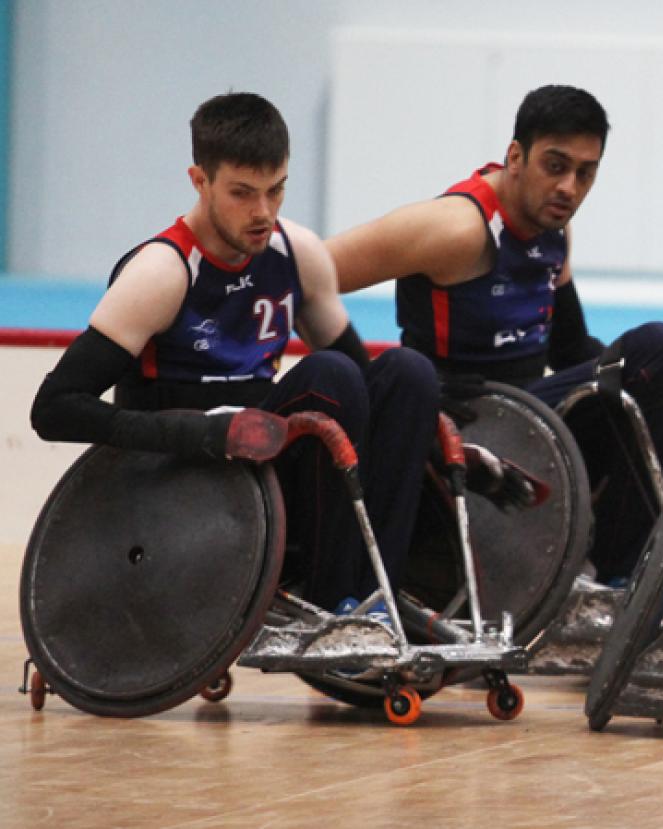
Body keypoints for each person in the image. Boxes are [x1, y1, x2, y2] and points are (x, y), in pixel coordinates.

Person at [28, 92, 444, 612]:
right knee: (329, 376)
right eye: (243, 193)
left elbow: (370, 387)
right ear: (199, 181)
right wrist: (200, 431)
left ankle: (379, 590)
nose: (263, 212)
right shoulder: (163, 271)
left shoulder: (297, 253)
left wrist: (441, 442)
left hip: (264, 459)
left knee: (409, 374)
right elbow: (54, 408)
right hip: (183, 475)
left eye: (276, 191)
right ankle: (334, 595)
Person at [328, 84, 663, 585]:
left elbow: (574, 349)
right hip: (473, 425)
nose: (570, 188)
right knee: (659, 346)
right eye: (555, 166)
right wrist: (384, 383)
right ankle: (630, 573)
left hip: (535, 415)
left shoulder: (554, 227)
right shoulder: (456, 228)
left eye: (585, 173)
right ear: (515, 156)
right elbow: (296, 275)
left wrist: (652, 380)